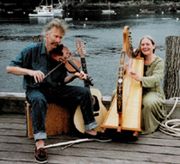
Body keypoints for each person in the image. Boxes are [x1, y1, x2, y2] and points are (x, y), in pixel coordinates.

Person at [6, 18, 98, 163]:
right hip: (36, 90)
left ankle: (90, 129)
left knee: (84, 92)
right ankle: (40, 143)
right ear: (46, 34)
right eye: (56, 36)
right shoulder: (31, 50)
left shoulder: (61, 54)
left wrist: (74, 76)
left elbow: (62, 81)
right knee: (38, 99)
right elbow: (10, 68)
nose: (58, 40)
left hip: (56, 89)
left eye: (61, 37)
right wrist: (31, 72)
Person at [128, 35, 166, 134]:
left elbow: (156, 79)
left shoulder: (159, 62)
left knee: (148, 102)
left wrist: (140, 78)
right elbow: (127, 73)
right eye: (143, 44)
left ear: (153, 46)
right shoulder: (137, 59)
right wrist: (129, 63)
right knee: (117, 94)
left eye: (148, 44)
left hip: (153, 92)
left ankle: (145, 127)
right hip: (137, 89)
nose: (145, 46)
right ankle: (125, 124)